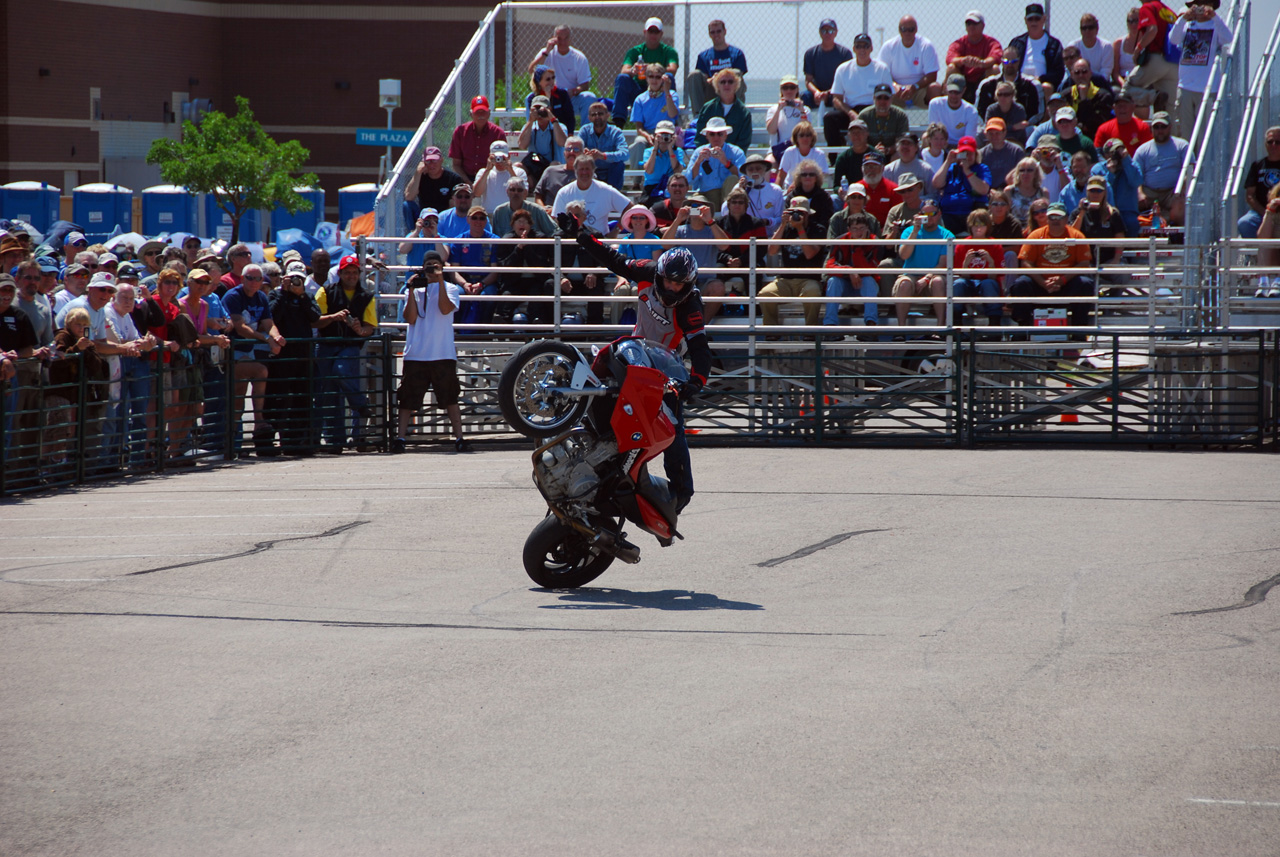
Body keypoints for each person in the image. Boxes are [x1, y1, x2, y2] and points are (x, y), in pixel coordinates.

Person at [571, 218, 710, 512]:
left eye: (678, 284)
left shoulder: (691, 307)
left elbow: (700, 348)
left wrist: (696, 381)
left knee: (673, 428)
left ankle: (682, 492)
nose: (671, 288)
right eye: (667, 281)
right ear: (659, 275)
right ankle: (574, 413)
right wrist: (582, 236)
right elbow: (614, 259)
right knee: (605, 358)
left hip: (665, 368)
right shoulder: (647, 271)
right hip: (635, 350)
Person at [393, 252, 470, 454]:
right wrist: (411, 289)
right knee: (407, 399)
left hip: (442, 353)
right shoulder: (415, 290)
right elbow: (409, 318)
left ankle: (459, 438)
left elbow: (445, 309)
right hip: (416, 353)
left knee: (450, 397)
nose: (432, 270)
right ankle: (400, 438)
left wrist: (440, 280)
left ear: (443, 268)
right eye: (428, 266)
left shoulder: (452, 288)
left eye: (436, 266)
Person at [314, 255, 376, 452]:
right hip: (326, 344)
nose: (351, 276)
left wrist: (360, 330)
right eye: (347, 272)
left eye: (354, 272)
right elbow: (315, 321)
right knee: (329, 393)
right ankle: (335, 442)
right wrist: (333, 317)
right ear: (339, 274)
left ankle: (360, 404)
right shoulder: (325, 292)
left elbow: (370, 328)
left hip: (350, 344)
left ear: (359, 274)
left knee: (340, 371)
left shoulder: (367, 296)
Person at [222, 264, 285, 454]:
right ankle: (250, 427)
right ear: (242, 279)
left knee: (240, 396)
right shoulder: (233, 296)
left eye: (258, 279)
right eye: (250, 278)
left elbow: (268, 323)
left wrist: (276, 336)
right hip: (233, 349)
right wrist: (265, 338)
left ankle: (237, 441)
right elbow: (240, 327)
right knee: (242, 392)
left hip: (248, 350)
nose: (255, 282)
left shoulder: (261, 297)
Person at [1010, 202, 1094, 334]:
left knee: (1086, 284)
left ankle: (1079, 331)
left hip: (1066, 285)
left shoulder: (1077, 236)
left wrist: (1062, 280)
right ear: (1047, 219)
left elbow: (1084, 264)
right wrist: (1042, 282)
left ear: (1066, 219)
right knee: (1021, 284)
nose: (1055, 221)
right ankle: (1022, 329)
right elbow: (1025, 263)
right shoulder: (1036, 236)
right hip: (1040, 284)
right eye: (1052, 217)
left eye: (1059, 217)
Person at [265, 262, 321, 455]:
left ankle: (298, 440)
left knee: (303, 399)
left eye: (300, 279)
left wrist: (301, 295)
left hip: (303, 355)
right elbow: (272, 316)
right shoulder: (275, 295)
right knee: (278, 398)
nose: (296, 282)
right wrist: (283, 292)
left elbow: (315, 317)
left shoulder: (308, 296)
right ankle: (271, 441)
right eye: (293, 278)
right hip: (282, 356)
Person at [759, 197, 827, 329]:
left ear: (807, 214)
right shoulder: (786, 229)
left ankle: (810, 332)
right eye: (792, 212)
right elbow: (771, 251)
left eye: (800, 213)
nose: (796, 216)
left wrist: (800, 229)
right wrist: (783, 225)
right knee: (765, 294)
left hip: (809, 279)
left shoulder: (817, 229)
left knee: (813, 294)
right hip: (786, 280)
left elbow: (810, 254)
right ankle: (772, 332)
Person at [1168, 0, 1233, 136]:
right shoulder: (1186, 25)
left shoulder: (1215, 26)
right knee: (1185, 133)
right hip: (1185, 87)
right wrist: (1183, 18)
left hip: (1207, 88)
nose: (1199, 8)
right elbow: (1173, 39)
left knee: (1204, 134)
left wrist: (1214, 16)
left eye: (1202, 3)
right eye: (1196, 4)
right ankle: (1189, 158)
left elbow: (1228, 38)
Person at [891, 199, 955, 331]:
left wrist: (927, 278)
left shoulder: (947, 235)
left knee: (938, 281)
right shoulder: (909, 232)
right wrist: (915, 231)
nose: (928, 218)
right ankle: (901, 329)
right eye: (924, 214)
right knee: (904, 283)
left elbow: (942, 264)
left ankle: (940, 328)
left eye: (932, 214)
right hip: (911, 276)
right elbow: (904, 255)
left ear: (939, 214)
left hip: (933, 276)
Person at [663, 198, 729, 320]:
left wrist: (709, 220)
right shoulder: (680, 230)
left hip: (707, 281)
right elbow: (665, 245)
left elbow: (724, 246)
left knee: (718, 287)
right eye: (693, 206)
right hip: (682, 281)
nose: (697, 210)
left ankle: (701, 328)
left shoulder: (712, 230)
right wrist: (678, 219)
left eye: (701, 207)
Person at [825, 33, 893, 147]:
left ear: (871, 48)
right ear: (854, 49)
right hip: (851, 111)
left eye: (866, 46)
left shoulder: (881, 68)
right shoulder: (843, 69)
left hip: (874, 111)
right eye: (858, 46)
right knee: (829, 119)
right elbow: (836, 99)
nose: (862, 49)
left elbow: (890, 96)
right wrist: (850, 112)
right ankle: (834, 158)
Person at [611, 18, 680, 126]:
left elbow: (673, 69)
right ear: (645, 32)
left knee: (669, 76)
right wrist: (633, 70)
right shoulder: (635, 51)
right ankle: (618, 122)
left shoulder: (669, 51)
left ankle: (672, 120)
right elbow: (624, 70)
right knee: (622, 78)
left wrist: (651, 68)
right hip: (639, 91)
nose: (653, 34)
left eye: (656, 32)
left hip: (661, 93)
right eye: (650, 31)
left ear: (661, 34)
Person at [823, 211, 882, 334]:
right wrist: (849, 271)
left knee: (869, 281)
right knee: (833, 282)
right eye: (854, 228)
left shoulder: (874, 241)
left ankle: (871, 327)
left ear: (867, 228)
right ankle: (830, 327)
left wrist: (858, 247)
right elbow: (829, 265)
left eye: (862, 228)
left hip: (864, 286)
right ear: (849, 229)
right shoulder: (840, 240)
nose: (858, 232)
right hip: (845, 284)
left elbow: (869, 269)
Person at [497, 208, 556, 326]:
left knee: (537, 298)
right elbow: (505, 265)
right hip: (515, 281)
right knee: (506, 298)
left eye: (525, 221)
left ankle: (535, 326)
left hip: (535, 280)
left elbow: (541, 265)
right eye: (518, 221)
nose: (522, 224)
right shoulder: (506, 240)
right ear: (513, 225)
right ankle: (502, 328)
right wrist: (518, 248)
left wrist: (527, 247)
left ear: (530, 225)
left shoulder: (540, 239)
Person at [527, 25, 596, 126]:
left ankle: (585, 133)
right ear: (554, 38)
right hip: (548, 97)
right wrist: (546, 52)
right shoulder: (546, 53)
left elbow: (585, 85)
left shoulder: (579, 58)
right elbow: (532, 71)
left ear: (570, 39)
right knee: (529, 98)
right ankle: (531, 131)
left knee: (589, 97)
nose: (563, 42)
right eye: (559, 38)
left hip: (570, 98)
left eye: (566, 38)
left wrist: (573, 91)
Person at [1121, 0, 1181, 113]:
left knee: (1126, 90)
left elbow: (1152, 30)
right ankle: (1172, 130)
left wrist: (1138, 49)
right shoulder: (1169, 11)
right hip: (1173, 63)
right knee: (1169, 109)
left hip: (1156, 60)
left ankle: (1154, 97)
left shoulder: (1147, 8)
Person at [445, 207, 502, 326]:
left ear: (486, 221)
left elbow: (495, 271)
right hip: (464, 281)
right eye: (474, 218)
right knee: (457, 295)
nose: (478, 221)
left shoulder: (494, 241)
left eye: (482, 218)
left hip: (486, 282)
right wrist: (465, 284)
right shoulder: (458, 241)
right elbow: (454, 270)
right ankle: (458, 330)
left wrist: (481, 284)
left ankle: (484, 331)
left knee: (488, 296)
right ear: (468, 220)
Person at [552, 156, 635, 236]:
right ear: (575, 170)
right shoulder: (564, 192)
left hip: (600, 243)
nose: (584, 172)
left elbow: (629, 207)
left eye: (587, 169)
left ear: (594, 170)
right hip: (573, 243)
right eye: (581, 169)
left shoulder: (605, 190)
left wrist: (616, 231)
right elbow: (556, 219)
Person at [952, 208, 1005, 328]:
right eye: (975, 224)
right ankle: (956, 324)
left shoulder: (995, 245)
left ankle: (994, 325)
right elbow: (961, 277)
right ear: (970, 226)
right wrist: (966, 263)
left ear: (988, 226)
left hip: (987, 282)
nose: (978, 228)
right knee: (959, 284)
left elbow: (995, 277)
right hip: (969, 282)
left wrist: (990, 262)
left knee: (989, 284)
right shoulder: (962, 245)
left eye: (982, 224)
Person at [1133, 111, 1189, 224]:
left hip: (1173, 192)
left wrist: (1183, 184)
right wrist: (1139, 192)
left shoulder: (1182, 145)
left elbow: (1191, 169)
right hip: (1149, 192)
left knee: (1180, 205)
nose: (1160, 130)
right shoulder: (1142, 150)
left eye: (1163, 126)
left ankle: (1176, 235)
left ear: (1170, 127)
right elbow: (1135, 175)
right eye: (1156, 127)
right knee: (1132, 201)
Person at [716, 189, 770, 299]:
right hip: (726, 262)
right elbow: (715, 249)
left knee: (754, 274)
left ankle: (754, 311)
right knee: (715, 272)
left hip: (750, 261)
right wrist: (728, 259)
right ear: (728, 204)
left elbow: (761, 250)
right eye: (734, 202)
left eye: (741, 202)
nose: (737, 205)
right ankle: (718, 309)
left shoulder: (757, 223)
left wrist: (741, 260)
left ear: (746, 205)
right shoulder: (719, 223)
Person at [1006, 3, 1065, 102]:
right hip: (1019, 83)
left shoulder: (1054, 44)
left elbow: (1058, 72)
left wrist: (1040, 79)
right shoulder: (1017, 43)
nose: (1034, 22)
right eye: (1030, 19)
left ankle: (1046, 117)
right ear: (1025, 20)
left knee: (1047, 87)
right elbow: (1008, 63)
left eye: (1037, 19)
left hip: (1042, 85)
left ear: (1044, 19)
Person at [878, 15, 942, 107]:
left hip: (919, 89)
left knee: (935, 88)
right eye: (904, 29)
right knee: (880, 91)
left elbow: (932, 75)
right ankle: (884, 120)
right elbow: (882, 73)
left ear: (916, 29)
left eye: (911, 29)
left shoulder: (926, 46)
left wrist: (914, 87)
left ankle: (934, 120)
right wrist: (895, 86)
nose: (907, 33)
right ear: (899, 30)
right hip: (896, 91)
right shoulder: (888, 46)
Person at [934, 135, 992, 234]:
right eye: (964, 153)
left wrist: (967, 171)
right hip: (949, 214)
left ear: (975, 154)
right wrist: (948, 162)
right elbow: (936, 183)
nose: (967, 157)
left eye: (970, 154)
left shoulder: (982, 168)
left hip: (971, 214)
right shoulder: (952, 168)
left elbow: (983, 189)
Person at [625, 63, 680, 169]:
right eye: (651, 76)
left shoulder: (672, 94)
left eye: (658, 77)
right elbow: (639, 127)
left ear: (663, 79)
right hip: (649, 133)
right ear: (646, 78)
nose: (654, 80)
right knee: (639, 142)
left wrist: (667, 91)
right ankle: (637, 182)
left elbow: (673, 114)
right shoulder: (640, 99)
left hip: (667, 132)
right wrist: (647, 136)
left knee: (666, 143)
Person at [686, 19, 749, 111]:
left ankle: (736, 111)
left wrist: (720, 77)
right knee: (694, 75)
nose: (716, 35)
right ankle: (698, 116)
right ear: (709, 34)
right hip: (712, 90)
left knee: (736, 73)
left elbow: (738, 77)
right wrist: (713, 80)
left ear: (725, 32)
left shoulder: (737, 53)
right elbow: (704, 78)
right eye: (713, 32)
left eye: (719, 31)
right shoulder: (704, 56)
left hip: (730, 89)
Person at [686, 117, 746, 210]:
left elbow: (743, 177)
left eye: (720, 134)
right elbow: (690, 180)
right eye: (712, 134)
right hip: (705, 195)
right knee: (693, 208)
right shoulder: (699, 152)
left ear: (725, 135)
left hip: (729, 196)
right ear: (707, 136)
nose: (716, 137)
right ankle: (693, 224)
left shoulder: (736, 152)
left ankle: (728, 216)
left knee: (732, 179)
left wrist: (726, 162)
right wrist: (698, 163)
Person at [1070, 175, 1127, 274]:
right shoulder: (1077, 213)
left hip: (1108, 261)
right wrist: (1082, 212)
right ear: (1087, 192)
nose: (1095, 194)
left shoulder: (1112, 213)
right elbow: (1072, 234)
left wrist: (1116, 260)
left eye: (1099, 191)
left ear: (1104, 192)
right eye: (1092, 191)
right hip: (1084, 261)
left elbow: (1120, 238)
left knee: (1122, 275)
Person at [978, 45, 1042, 129]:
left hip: (1020, 129)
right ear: (1001, 62)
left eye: (1014, 61)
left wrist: (1024, 124)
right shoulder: (986, 85)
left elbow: (1038, 113)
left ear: (1019, 61)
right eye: (1006, 61)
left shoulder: (1032, 85)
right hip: (992, 130)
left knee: (1032, 129)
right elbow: (979, 113)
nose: (1010, 64)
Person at [945, 10, 1003, 102]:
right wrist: (963, 60)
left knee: (995, 69)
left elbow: (997, 57)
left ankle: (993, 101)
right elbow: (949, 59)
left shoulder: (991, 42)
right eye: (968, 23)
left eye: (975, 23)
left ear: (983, 26)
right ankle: (949, 102)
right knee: (951, 68)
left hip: (982, 80)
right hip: (963, 82)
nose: (971, 26)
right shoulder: (959, 42)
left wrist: (981, 63)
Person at [448, 95, 507, 182]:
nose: (480, 115)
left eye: (483, 112)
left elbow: (502, 163)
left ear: (489, 113)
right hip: (465, 178)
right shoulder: (460, 132)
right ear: (471, 114)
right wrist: (468, 183)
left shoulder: (498, 133)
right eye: (477, 112)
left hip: (491, 177)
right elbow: (456, 165)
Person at [1093, 137, 1144, 236]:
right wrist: (1110, 174)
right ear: (1106, 155)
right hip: (1105, 211)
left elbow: (1136, 182)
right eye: (1113, 153)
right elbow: (1100, 191)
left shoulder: (1132, 165)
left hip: (1127, 212)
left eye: (1119, 151)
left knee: (1131, 223)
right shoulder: (1098, 169)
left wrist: (1126, 161)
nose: (1117, 155)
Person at [694, 69, 752, 152]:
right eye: (722, 82)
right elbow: (700, 138)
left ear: (736, 85)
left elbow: (744, 142)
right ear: (717, 85)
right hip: (709, 156)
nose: (726, 84)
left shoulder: (744, 113)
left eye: (730, 82)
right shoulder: (707, 108)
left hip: (733, 158)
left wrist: (729, 156)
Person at [516, 94, 567, 186]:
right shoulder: (529, 127)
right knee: (517, 167)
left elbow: (562, 142)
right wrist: (530, 121)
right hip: (534, 168)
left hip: (552, 169)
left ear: (549, 109)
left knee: (555, 165)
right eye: (536, 109)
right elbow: (522, 145)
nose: (539, 112)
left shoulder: (559, 126)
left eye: (541, 108)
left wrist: (552, 119)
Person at [1238, 126, 1280, 239]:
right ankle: (1256, 255)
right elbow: (1250, 195)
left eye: (1278, 142)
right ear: (1265, 144)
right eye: (1270, 142)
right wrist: (1265, 212)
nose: (1274, 145)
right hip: (1261, 211)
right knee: (1245, 223)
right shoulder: (1257, 165)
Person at [803, 19, 853, 111]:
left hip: (836, 92)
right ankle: (803, 125)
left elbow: (846, 80)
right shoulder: (810, 53)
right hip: (816, 93)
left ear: (836, 32)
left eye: (830, 31)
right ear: (820, 33)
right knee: (803, 97)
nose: (827, 34)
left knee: (846, 99)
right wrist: (817, 93)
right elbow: (808, 81)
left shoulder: (844, 53)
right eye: (824, 31)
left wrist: (828, 93)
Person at [578, 102, 629, 191]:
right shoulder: (584, 131)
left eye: (600, 113)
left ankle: (613, 195)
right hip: (591, 172)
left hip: (611, 174)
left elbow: (625, 154)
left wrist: (603, 156)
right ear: (589, 118)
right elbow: (577, 149)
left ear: (607, 115)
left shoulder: (616, 132)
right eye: (593, 114)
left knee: (619, 164)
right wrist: (584, 154)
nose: (597, 117)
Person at [730, 154, 786, 231]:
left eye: (758, 168)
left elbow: (780, 219)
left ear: (765, 170)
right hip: (745, 235)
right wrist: (741, 192)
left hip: (769, 236)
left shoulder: (775, 190)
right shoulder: (738, 187)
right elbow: (725, 211)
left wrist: (767, 221)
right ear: (746, 172)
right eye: (750, 169)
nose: (755, 171)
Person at [474, 140, 529, 215]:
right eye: (496, 157)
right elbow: (477, 193)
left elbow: (524, 195)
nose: (499, 161)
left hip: (512, 214)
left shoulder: (519, 172)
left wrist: (510, 170)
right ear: (490, 156)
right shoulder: (483, 172)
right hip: (489, 214)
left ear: (508, 156)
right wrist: (487, 170)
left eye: (502, 158)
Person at [403, 146, 464, 214]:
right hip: (425, 217)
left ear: (441, 160)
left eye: (435, 160)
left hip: (444, 217)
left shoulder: (454, 179)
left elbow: (456, 204)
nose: (432, 165)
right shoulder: (420, 177)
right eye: (428, 161)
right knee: (407, 205)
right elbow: (409, 196)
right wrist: (418, 172)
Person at [1064, 59, 1116, 138]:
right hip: (1069, 137)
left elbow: (1096, 124)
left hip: (1094, 137)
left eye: (1084, 71)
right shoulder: (1065, 95)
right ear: (1072, 75)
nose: (1081, 75)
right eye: (1077, 72)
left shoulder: (1103, 96)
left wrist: (1084, 99)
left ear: (1090, 73)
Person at [766, 77, 811, 164]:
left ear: (797, 90)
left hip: (798, 149)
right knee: (769, 164)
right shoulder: (773, 109)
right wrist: (779, 110)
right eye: (785, 88)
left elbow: (806, 130)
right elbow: (771, 130)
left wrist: (801, 111)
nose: (789, 90)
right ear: (781, 90)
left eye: (792, 87)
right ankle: (773, 178)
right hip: (777, 150)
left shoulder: (805, 110)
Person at [1093, 90, 1152, 156]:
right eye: (1119, 106)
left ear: (1133, 107)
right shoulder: (1103, 129)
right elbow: (1097, 153)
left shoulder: (1142, 127)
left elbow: (1148, 152)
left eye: (1125, 105)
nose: (1122, 109)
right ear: (1113, 108)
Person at [641, 120, 685, 204]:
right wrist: (655, 148)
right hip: (651, 188)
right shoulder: (649, 152)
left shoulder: (678, 151)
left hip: (670, 188)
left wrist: (670, 149)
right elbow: (649, 171)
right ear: (656, 136)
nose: (665, 138)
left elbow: (677, 171)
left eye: (668, 135)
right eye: (662, 135)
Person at [928, 75, 981, 144]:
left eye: (957, 92)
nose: (953, 96)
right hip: (940, 143)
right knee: (925, 138)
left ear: (964, 90)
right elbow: (933, 132)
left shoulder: (971, 111)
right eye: (951, 91)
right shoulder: (935, 104)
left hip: (961, 145)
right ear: (946, 88)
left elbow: (969, 139)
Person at [524, 66, 576, 135]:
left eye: (553, 78)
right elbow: (537, 118)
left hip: (560, 132)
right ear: (539, 82)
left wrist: (569, 134)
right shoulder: (532, 98)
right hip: (541, 132)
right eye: (548, 79)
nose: (552, 81)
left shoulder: (562, 94)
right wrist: (547, 98)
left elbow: (570, 117)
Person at [786, 161, 835, 234]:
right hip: (793, 233)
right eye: (804, 174)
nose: (807, 177)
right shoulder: (792, 196)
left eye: (811, 174)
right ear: (799, 177)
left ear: (816, 177)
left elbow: (826, 221)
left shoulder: (824, 197)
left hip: (817, 234)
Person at [859, 84, 911, 153]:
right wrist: (873, 150)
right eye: (879, 98)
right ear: (874, 98)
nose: (882, 101)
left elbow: (903, 141)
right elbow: (859, 140)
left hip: (892, 153)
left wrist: (887, 150)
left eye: (886, 98)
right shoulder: (864, 115)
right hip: (869, 154)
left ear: (891, 99)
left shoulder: (900, 115)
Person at [776, 121, 829, 188]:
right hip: (791, 189)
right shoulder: (789, 152)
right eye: (801, 135)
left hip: (812, 189)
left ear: (812, 137)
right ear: (796, 138)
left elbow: (821, 177)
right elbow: (781, 176)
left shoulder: (819, 154)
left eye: (808, 135)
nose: (805, 138)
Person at [534, 138, 583, 210]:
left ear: (583, 153)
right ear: (564, 153)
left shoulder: (586, 175)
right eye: (568, 149)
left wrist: (555, 211)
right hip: (549, 217)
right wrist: (543, 210)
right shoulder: (550, 171)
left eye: (576, 149)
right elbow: (538, 195)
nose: (571, 152)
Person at [399, 208, 451, 274]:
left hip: (434, 280)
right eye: (427, 220)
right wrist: (416, 231)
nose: (430, 223)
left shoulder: (442, 239)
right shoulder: (413, 236)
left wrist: (436, 235)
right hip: (413, 280)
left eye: (434, 220)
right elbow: (402, 250)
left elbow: (443, 258)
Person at [979, 118, 1027, 190]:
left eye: (997, 133)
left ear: (1004, 133)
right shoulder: (981, 153)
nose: (994, 136)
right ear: (986, 135)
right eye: (991, 134)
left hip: (1011, 191)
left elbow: (1022, 176)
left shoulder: (1016, 151)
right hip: (989, 193)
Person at [858, 152, 902, 228]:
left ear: (882, 168)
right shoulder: (856, 188)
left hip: (886, 233)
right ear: (862, 169)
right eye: (867, 166)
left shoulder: (893, 189)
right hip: (859, 232)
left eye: (875, 166)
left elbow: (899, 215)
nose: (871, 170)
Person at [986, 189, 1026, 269]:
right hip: (987, 256)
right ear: (989, 206)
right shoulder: (984, 223)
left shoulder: (1014, 224)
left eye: (1002, 204)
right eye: (995, 204)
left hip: (1005, 258)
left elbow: (1017, 248)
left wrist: (996, 250)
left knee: (1010, 254)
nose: (999, 207)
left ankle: (1010, 282)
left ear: (1008, 207)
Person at [832, 120, 874, 190]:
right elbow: (836, 185)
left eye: (859, 132)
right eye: (853, 133)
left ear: (867, 133)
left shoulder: (876, 156)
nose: (856, 135)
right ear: (849, 135)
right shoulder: (843, 158)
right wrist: (840, 191)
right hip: (849, 195)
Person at [1253, 187, 1280, 296]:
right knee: (1264, 245)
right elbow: (1262, 236)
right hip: (1276, 253)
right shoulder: (1274, 211)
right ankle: (1263, 282)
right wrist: (1270, 211)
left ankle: (1278, 281)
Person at [1114, 9, 1143, 90]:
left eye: (1136, 20)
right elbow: (1115, 73)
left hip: (1142, 81)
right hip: (1123, 81)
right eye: (1130, 21)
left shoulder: (1148, 42)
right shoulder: (1118, 43)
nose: (1133, 24)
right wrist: (1123, 84)